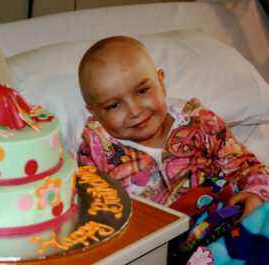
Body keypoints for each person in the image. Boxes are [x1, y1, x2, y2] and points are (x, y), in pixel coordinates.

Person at [77, 36, 269, 229]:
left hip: (229, 225)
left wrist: (256, 193)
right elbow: (85, 207)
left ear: (161, 83)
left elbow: (246, 166)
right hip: (158, 246)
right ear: (94, 112)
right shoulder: (97, 151)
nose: (135, 111)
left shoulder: (201, 123)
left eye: (142, 91)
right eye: (114, 105)